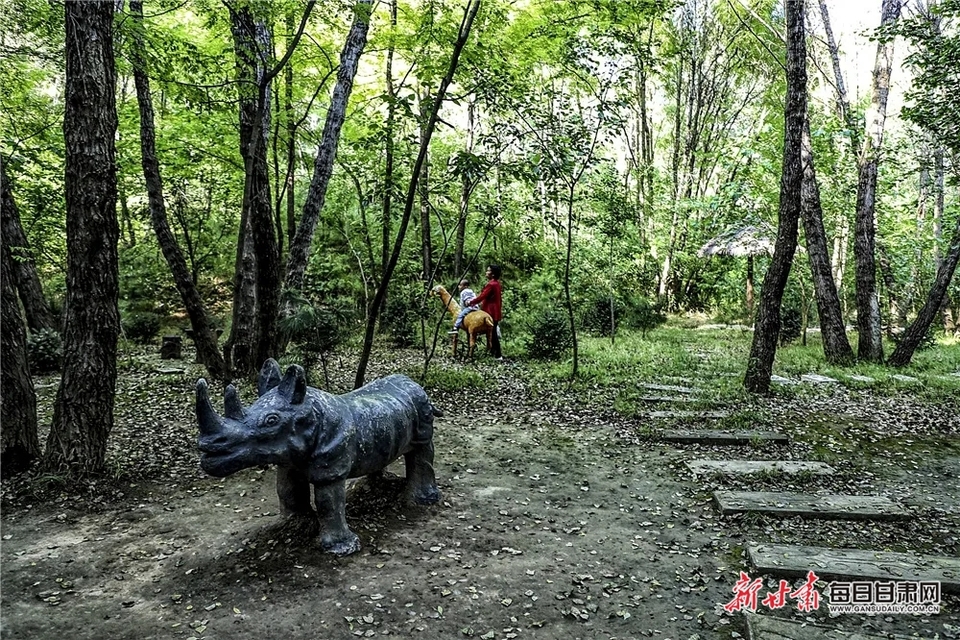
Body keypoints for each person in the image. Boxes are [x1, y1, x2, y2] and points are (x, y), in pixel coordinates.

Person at [468, 264, 503, 359]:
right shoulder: (497, 283)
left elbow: (482, 296)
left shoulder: (491, 284)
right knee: (492, 332)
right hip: (496, 311)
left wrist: (471, 302)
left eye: (488, 271)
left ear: (493, 274)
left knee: (493, 333)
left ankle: (498, 354)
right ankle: (493, 352)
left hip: (490, 311)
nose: (486, 272)